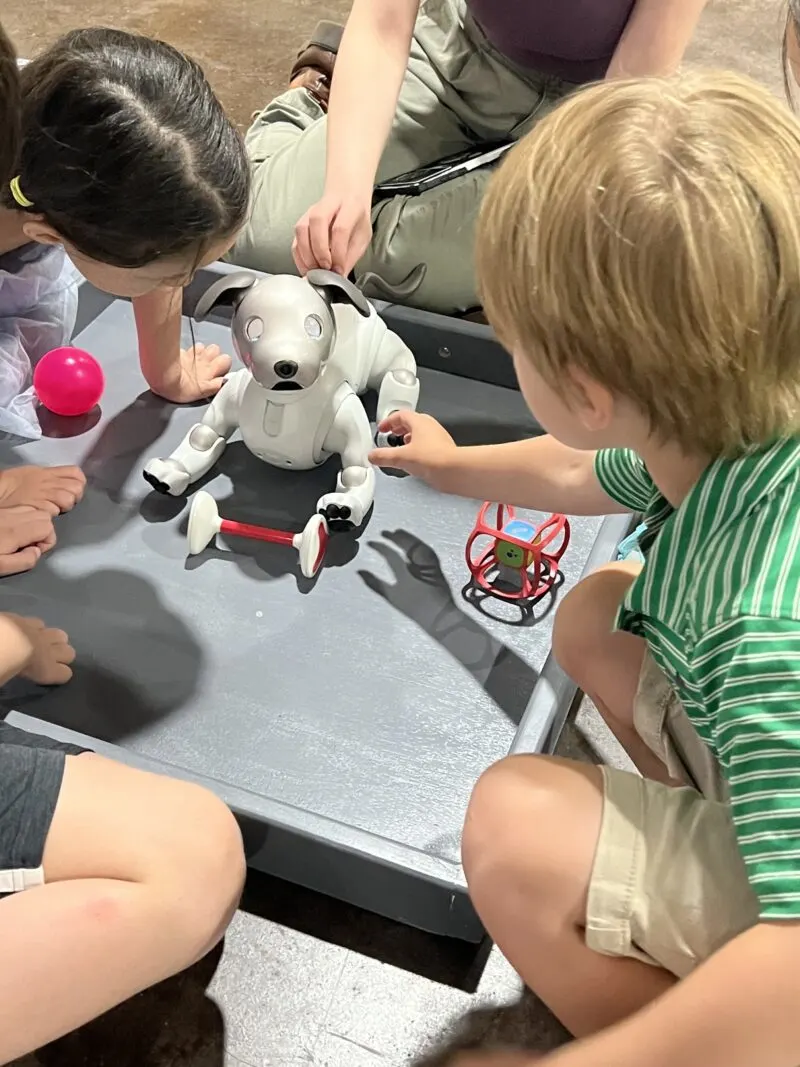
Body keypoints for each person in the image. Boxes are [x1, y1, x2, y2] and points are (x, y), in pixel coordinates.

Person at [371, 69, 800, 1067]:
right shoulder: (728, 415)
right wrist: (446, 462)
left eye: (507, 338)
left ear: (585, 387)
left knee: (515, 830)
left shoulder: (760, 627)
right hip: (760, 752)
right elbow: (578, 466)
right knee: (597, 610)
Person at [0, 26, 246, 1062]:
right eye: (174, 267)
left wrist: (167, 363)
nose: (186, 278)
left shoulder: (55, 137)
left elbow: (153, 251)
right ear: (53, 220)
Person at [230, 0, 709, 315]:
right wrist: (344, 189)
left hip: (587, 108)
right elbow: (381, 24)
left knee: (575, 296)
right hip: (455, 55)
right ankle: (308, 107)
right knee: (266, 243)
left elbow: (630, 87)